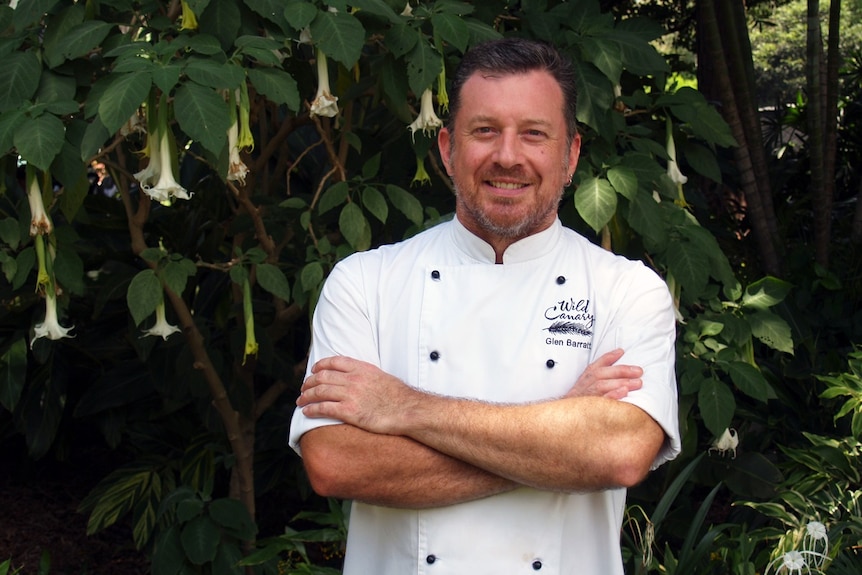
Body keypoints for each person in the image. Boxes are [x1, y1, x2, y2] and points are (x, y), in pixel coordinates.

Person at [289, 37, 681, 574]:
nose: (507, 156)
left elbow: (620, 453)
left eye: (535, 134)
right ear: (448, 149)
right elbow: (336, 463)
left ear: (570, 156)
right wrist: (564, 444)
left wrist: (404, 407)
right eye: (485, 131)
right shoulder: (363, 283)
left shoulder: (627, 290)